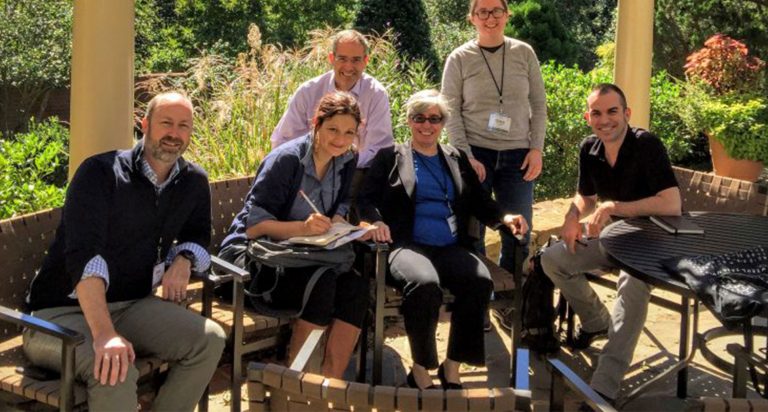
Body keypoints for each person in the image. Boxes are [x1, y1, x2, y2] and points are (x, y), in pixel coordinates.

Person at [24, 91, 227, 412]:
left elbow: (198, 235)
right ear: (144, 124)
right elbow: (83, 258)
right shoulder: (100, 173)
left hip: (132, 305)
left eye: (184, 126)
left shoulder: (193, 182)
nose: (175, 133)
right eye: (166, 123)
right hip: (59, 316)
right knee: (115, 368)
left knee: (209, 339)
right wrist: (105, 335)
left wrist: (183, 261)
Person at [358, 90, 528, 390]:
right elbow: (365, 199)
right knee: (424, 285)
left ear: (443, 123)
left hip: (449, 246)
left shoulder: (456, 157)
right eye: (419, 118)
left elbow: (480, 201)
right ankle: (421, 369)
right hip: (405, 245)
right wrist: (376, 221)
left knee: (479, 281)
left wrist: (504, 217)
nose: (427, 125)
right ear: (409, 121)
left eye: (434, 119)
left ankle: (453, 366)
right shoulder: (390, 157)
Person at [540, 83, 682, 402]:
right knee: (552, 259)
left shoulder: (646, 145)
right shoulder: (589, 147)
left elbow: (671, 203)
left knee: (630, 287)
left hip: (652, 241)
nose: (605, 120)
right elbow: (586, 196)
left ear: (627, 113)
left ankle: (605, 383)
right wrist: (572, 216)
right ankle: (596, 320)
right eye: (597, 113)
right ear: (588, 117)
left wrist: (614, 207)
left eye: (612, 111)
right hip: (613, 239)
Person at [219, 91, 369, 379]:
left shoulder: (347, 158)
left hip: (304, 254)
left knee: (356, 286)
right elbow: (254, 227)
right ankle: (296, 381)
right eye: (333, 130)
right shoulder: (287, 161)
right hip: (253, 260)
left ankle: (330, 381)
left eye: (349, 132)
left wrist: (341, 225)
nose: (340, 139)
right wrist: (303, 228)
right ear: (316, 123)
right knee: (322, 282)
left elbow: (340, 206)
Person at [441, 0, 546, 273]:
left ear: (507, 15)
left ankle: (510, 299)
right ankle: (481, 294)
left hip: (518, 155)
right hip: (476, 153)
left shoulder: (524, 53)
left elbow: (538, 104)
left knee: (519, 228)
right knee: (473, 230)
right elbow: (449, 112)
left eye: (496, 11)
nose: (490, 18)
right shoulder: (460, 58)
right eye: (483, 12)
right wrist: (466, 157)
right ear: (471, 18)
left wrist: (536, 149)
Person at [271, 29, 394, 212]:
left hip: (354, 174)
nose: (348, 66)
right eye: (342, 58)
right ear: (331, 58)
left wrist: (339, 163)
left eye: (356, 60)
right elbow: (282, 140)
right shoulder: (308, 91)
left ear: (366, 61)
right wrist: (315, 166)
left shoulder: (376, 94)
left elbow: (380, 149)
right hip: (307, 171)